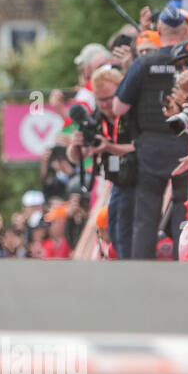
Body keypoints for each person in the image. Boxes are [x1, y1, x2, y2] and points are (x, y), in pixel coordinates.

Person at [112, 5, 188, 259]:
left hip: (150, 146)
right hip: (186, 143)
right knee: (184, 206)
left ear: (158, 31)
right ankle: (185, 262)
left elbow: (118, 107)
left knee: (146, 212)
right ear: (185, 33)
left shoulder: (143, 63)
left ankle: (141, 272)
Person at [67, 66, 137, 258]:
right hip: (117, 181)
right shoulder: (95, 119)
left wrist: (110, 147)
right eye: (100, 100)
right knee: (114, 230)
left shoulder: (133, 113)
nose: (106, 105)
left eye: (109, 98)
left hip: (141, 178)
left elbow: (146, 148)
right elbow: (77, 157)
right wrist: (76, 146)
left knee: (133, 232)